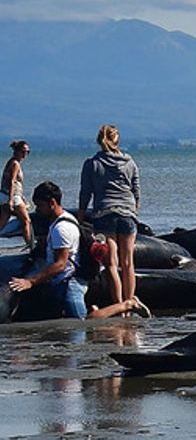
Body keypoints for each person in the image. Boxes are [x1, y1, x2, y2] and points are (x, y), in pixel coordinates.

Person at [6, 182, 140, 320]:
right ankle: (94, 308)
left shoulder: (61, 228)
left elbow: (60, 264)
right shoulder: (60, 221)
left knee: (82, 323)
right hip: (63, 281)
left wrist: (30, 281)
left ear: (52, 202)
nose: (38, 210)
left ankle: (127, 304)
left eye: (40, 206)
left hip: (71, 282)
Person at [78, 123, 142, 309]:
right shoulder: (130, 163)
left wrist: (81, 217)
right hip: (127, 214)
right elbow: (136, 191)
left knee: (111, 263)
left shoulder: (92, 164)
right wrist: (134, 212)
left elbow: (85, 192)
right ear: (117, 139)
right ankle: (130, 302)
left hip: (104, 214)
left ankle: (119, 305)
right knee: (128, 262)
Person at [3, 139, 32, 247]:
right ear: (17, 151)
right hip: (13, 197)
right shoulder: (15, 164)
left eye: (27, 152)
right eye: (23, 151)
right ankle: (30, 245)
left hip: (7, 195)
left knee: (2, 222)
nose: (25, 154)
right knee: (26, 221)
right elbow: (12, 181)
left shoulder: (11, 161)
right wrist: (11, 200)